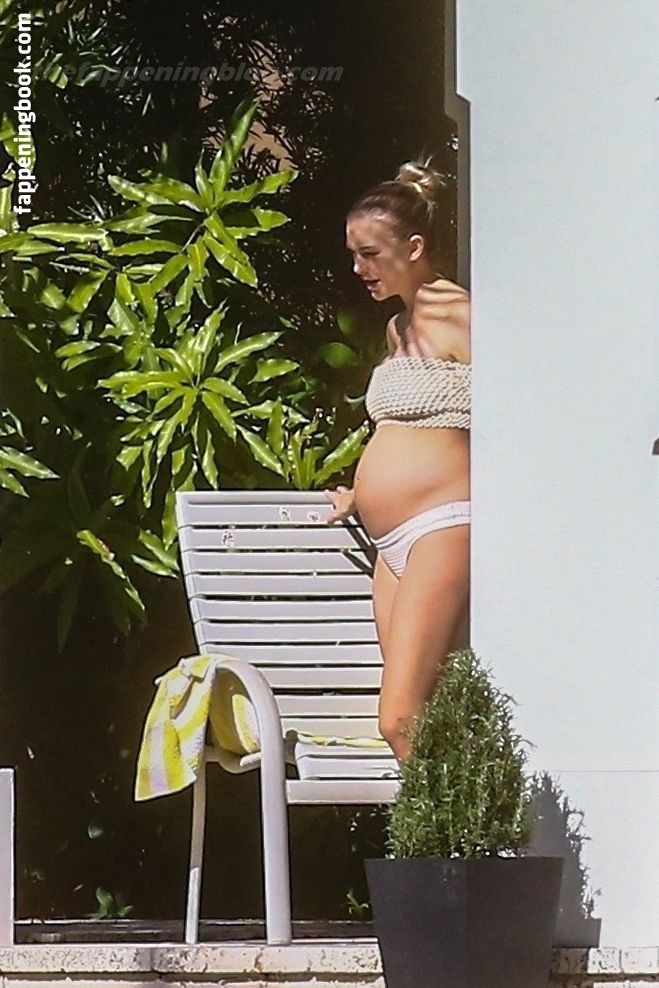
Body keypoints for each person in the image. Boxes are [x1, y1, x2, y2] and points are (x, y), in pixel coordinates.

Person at [323, 156, 471, 766]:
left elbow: (523, 413)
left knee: (399, 717)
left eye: (371, 254)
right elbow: (400, 428)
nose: (359, 269)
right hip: (391, 543)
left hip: (442, 526)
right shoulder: (398, 328)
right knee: (425, 716)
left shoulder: (463, 316)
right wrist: (361, 493)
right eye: (354, 255)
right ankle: (449, 817)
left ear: (414, 247)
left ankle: (451, 827)